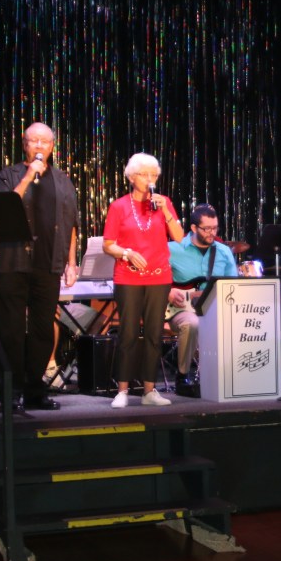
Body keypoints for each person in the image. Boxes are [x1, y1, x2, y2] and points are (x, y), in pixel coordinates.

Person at [0, 122, 78, 411]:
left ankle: (34, 390)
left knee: (43, 330)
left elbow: (72, 224)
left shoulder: (63, 181)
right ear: (25, 144)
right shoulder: (8, 175)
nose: (40, 146)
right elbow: (3, 209)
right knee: (11, 330)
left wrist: (71, 263)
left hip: (48, 263)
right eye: (34, 141)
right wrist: (29, 176)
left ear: (52, 146)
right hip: (13, 262)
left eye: (45, 142)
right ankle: (10, 391)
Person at [102, 153, 185, 409]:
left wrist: (166, 211)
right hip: (128, 277)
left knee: (153, 334)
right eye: (144, 174)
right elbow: (108, 245)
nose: (150, 179)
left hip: (159, 276)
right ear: (131, 177)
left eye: (154, 175)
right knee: (127, 333)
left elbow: (179, 237)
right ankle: (123, 390)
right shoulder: (119, 206)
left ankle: (149, 390)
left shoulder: (164, 202)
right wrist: (127, 253)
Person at [167, 204, 238, 390]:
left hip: (214, 308)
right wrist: (167, 291)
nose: (212, 233)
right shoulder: (172, 249)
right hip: (180, 309)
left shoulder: (224, 252)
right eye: (206, 229)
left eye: (215, 228)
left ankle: (234, 373)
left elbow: (233, 286)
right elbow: (153, 277)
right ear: (193, 228)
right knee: (192, 323)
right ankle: (183, 376)